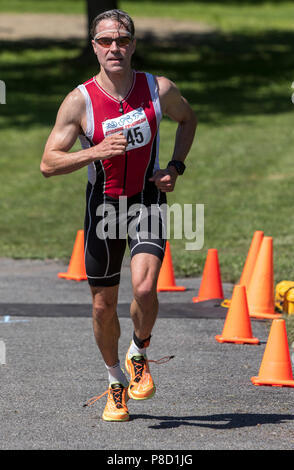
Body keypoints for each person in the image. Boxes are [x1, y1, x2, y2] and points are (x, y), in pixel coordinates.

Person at [40, 9, 197, 422]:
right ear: (94, 46)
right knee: (102, 306)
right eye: (106, 41)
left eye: (122, 40)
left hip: (147, 200)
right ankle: (115, 383)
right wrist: (94, 151)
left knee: (145, 289)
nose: (115, 48)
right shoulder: (80, 100)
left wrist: (175, 167)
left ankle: (139, 351)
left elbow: (188, 118)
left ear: (133, 44)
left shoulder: (157, 89)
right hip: (103, 208)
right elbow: (48, 163)